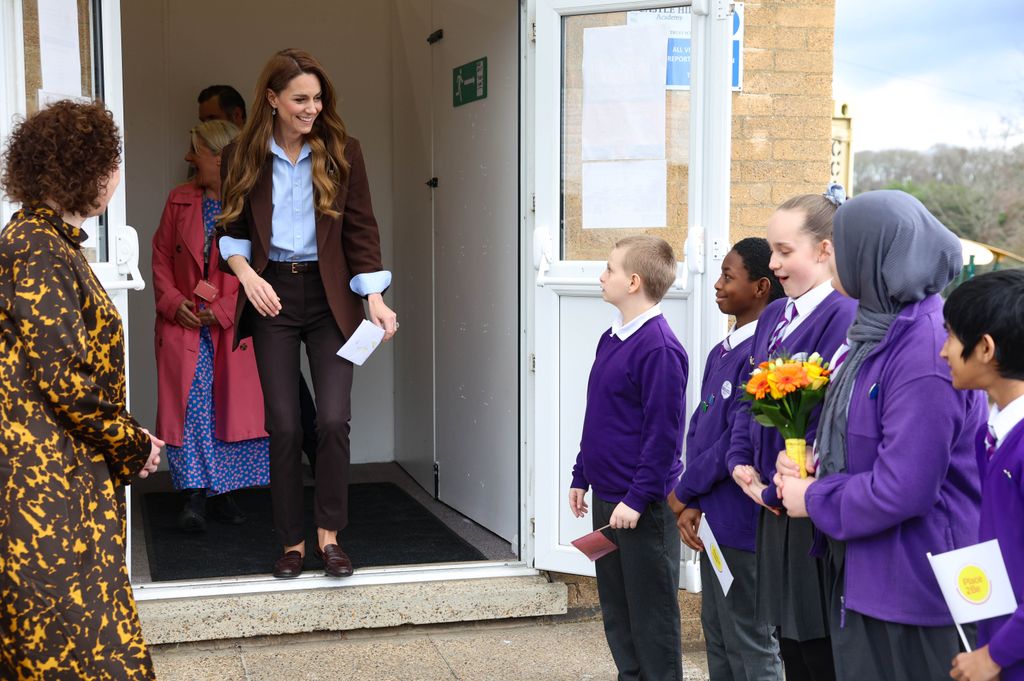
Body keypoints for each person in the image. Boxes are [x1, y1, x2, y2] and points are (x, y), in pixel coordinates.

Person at [774, 190, 985, 681]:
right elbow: (868, 442)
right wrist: (817, 465)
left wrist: (816, 495)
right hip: (875, 577)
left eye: (842, 243)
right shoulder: (880, 331)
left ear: (872, 254)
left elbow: (905, 488)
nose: (834, 254)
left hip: (916, 591)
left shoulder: (925, 350)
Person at [217, 48, 397, 579]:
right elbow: (230, 230)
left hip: (330, 299)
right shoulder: (240, 157)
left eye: (317, 99)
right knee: (285, 426)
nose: (311, 108)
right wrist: (247, 278)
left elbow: (362, 230)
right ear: (271, 99)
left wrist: (375, 297)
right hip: (269, 295)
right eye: (300, 99)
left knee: (334, 419)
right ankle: (292, 543)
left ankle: (329, 537)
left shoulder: (344, 152)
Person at [0, 100, 161, 678]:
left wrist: (129, 432)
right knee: (74, 650)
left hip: (60, 473)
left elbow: (71, 371)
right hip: (45, 488)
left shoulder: (48, 242)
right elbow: (65, 379)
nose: (116, 177)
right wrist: (133, 443)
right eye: (112, 164)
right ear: (86, 172)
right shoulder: (38, 248)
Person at [724, 185, 857, 681]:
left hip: (806, 501)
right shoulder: (777, 314)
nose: (775, 265)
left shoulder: (842, 315)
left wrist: (790, 476)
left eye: (785, 252)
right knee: (785, 637)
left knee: (814, 642)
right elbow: (750, 391)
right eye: (773, 250)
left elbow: (830, 413)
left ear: (825, 250)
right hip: (769, 502)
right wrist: (739, 460)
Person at [568, 235, 688, 681]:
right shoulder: (611, 338)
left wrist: (637, 500)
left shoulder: (659, 348)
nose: (602, 276)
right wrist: (581, 473)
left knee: (651, 614)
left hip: (641, 508)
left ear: (633, 281)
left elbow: (664, 436)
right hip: (608, 500)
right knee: (617, 609)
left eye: (609, 269)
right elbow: (598, 415)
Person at [668, 238, 784, 681]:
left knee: (751, 639)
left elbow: (734, 442)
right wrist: (695, 500)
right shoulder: (723, 350)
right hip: (712, 515)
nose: (716, 285)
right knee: (717, 631)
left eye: (727, 277)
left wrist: (683, 491)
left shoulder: (761, 355)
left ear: (760, 287)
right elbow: (702, 432)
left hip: (741, 522)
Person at [152, 119, 270, 531]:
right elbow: (161, 258)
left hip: (231, 326)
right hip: (183, 323)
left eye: (195, 150)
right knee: (191, 405)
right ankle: (194, 495)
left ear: (220, 157)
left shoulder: (254, 203)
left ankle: (223, 493)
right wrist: (173, 303)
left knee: (227, 406)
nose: (188, 158)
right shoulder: (179, 199)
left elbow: (263, 267)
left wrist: (220, 311)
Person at [196, 83, 320, 473]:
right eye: (301, 99)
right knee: (275, 410)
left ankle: (318, 463)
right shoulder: (195, 192)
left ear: (235, 118)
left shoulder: (271, 164)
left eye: (210, 120)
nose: (310, 109)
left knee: (303, 405)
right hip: (243, 301)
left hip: (273, 295)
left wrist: (226, 305)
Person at [942, 270, 1024, 681]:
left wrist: (996, 655)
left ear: (986, 348)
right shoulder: (988, 435)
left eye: (952, 337)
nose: (943, 352)